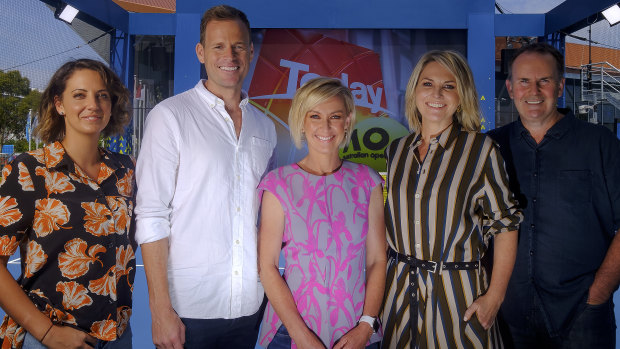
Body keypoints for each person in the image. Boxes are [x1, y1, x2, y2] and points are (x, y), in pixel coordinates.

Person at [134, 5, 277, 349]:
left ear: (251, 51)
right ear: (201, 52)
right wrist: (159, 309)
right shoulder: (169, 117)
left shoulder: (265, 127)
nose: (230, 55)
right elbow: (152, 215)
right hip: (187, 309)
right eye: (218, 46)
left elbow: (265, 216)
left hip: (250, 303)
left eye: (239, 46)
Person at [380, 50, 522, 349]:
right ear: (415, 90)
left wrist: (494, 297)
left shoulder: (482, 151)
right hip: (399, 294)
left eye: (449, 85)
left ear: (462, 94)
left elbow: (506, 226)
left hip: (459, 295)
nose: (437, 94)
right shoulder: (396, 152)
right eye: (428, 83)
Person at [488, 43, 620, 349]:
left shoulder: (600, 145)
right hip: (509, 315)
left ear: (560, 86)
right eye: (523, 81)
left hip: (582, 316)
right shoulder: (491, 147)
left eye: (544, 81)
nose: (533, 91)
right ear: (510, 87)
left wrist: (598, 293)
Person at [0, 58, 135, 349]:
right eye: (80, 95)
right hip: (48, 337)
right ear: (59, 104)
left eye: (102, 95)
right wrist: (48, 333)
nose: (94, 104)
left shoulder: (126, 171)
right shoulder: (30, 170)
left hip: (116, 337)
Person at [257, 77, 387, 349]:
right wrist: (301, 336)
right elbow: (267, 266)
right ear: (301, 122)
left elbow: (376, 260)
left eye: (335, 116)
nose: (325, 126)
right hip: (290, 333)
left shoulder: (368, 181)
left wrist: (366, 325)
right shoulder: (278, 184)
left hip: (356, 332)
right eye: (314, 116)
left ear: (348, 121)